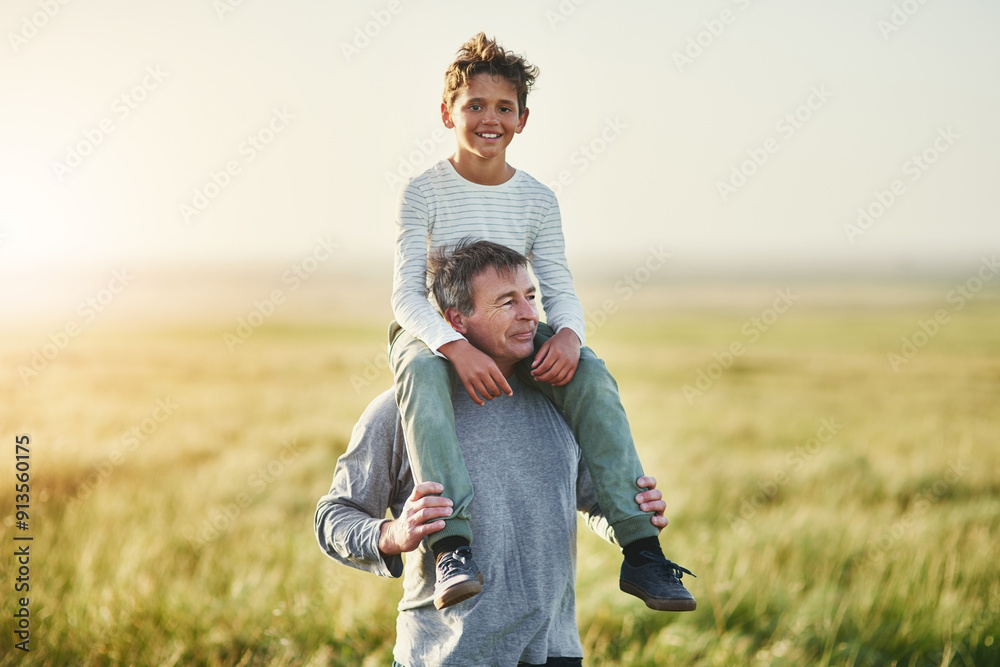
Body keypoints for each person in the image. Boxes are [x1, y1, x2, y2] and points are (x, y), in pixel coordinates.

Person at [389, 33, 695, 611]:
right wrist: (454, 346)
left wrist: (572, 337)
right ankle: (452, 545)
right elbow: (406, 295)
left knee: (594, 375)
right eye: (474, 105)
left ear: (523, 119)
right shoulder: (423, 190)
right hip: (437, 330)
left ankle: (643, 550)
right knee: (422, 376)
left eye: (504, 107)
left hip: (519, 329)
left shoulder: (537, 198)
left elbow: (557, 288)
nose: (489, 119)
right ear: (447, 113)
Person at [316, 242, 695, 666]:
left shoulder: (562, 402)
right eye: (506, 302)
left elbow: (589, 502)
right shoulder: (398, 410)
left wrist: (630, 513)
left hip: (556, 652)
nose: (530, 314)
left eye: (531, 297)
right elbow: (333, 518)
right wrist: (394, 535)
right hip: (448, 657)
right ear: (456, 320)